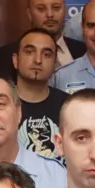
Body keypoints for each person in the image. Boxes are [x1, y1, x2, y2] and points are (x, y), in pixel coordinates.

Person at [0, 0, 83, 77]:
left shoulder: (82, 50)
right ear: (29, 14)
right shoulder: (6, 55)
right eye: (41, 8)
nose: (50, 14)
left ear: (65, 11)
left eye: (56, 7)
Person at [10, 28, 69, 160]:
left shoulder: (70, 106)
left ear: (55, 64)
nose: (38, 60)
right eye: (30, 52)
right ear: (15, 60)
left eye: (47, 54)